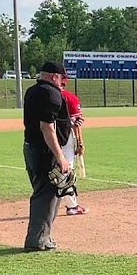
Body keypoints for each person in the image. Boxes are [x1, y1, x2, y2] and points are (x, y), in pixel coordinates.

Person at [21, 62, 73, 252]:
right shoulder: (51, 93)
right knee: (47, 194)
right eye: (62, 80)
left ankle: (42, 236)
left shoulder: (32, 91)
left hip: (31, 147)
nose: (63, 84)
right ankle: (39, 240)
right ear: (54, 76)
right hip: (45, 151)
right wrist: (60, 156)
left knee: (43, 191)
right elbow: (47, 127)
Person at [59, 73, 87, 216]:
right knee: (66, 170)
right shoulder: (70, 97)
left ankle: (51, 203)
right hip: (66, 137)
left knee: (51, 170)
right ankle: (72, 206)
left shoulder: (43, 96)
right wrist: (80, 142)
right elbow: (77, 123)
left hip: (44, 137)